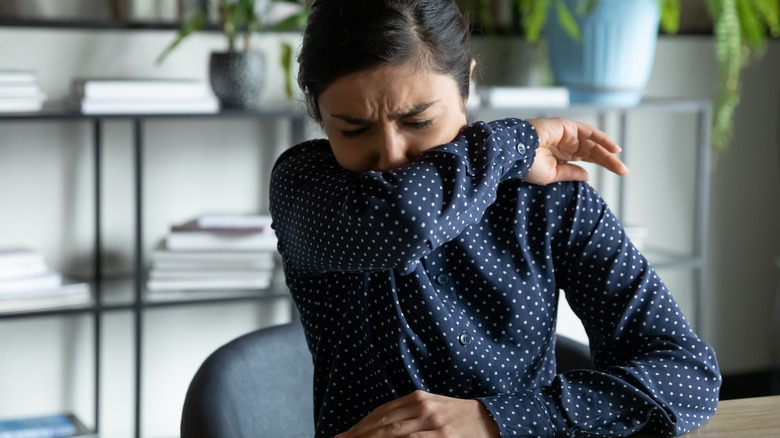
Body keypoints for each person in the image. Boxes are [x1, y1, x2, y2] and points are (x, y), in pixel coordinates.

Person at [269, 0, 721, 436]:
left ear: (466, 85)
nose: (392, 157)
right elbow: (405, 221)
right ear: (319, 115)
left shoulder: (546, 199)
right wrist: (517, 139)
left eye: (419, 121)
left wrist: (497, 419)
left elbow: (688, 374)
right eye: (353, 130)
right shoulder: (306, 187)